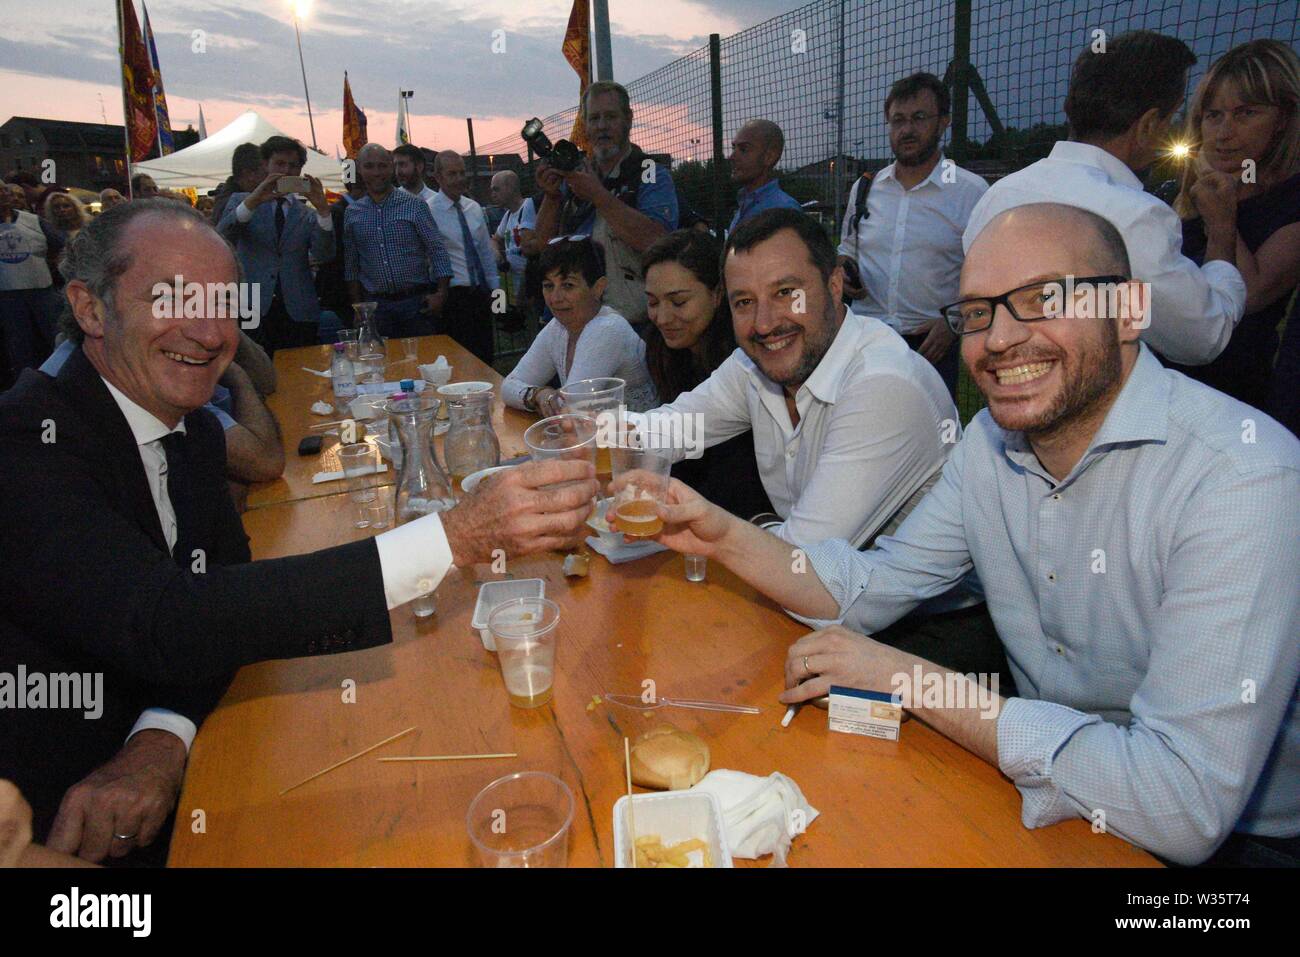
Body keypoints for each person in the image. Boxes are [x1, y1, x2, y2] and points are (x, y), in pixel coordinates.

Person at [644, 202, 1300, 867]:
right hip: (1046, 783)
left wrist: (913, 680)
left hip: (1240, 844)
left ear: (1130, 309)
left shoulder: (1244, 477)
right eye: (979, 312)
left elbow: (1182, 801)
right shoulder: (991, 444)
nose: (1001, 338)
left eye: (1043, 298)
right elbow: (872, 586)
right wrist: (717, 532)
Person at [0, 199, 598, 864]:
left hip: (174, 770)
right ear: (88, 307)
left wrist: (162, 735)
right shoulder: (28, 440)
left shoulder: (189, 425)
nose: (207, 332)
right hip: (52, 822)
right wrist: (453, 537)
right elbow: (167, 616)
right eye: (172, 299)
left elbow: (219, 601)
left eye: (222, 305)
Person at [631, 208, 957, 551]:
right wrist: (584, 435)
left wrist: (734, 526)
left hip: (936, 604)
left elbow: (808, 560)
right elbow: (671, 429)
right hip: (812, 586)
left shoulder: (883, 386)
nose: (764, 323)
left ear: (834, 286)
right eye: (744, 301)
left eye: (786, 292)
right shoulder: (753, 364)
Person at [964, 30, 1247, 367]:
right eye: (1170, 118)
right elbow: (1203, 338)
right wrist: (1221, 229)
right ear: (1147, 126)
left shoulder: (996, 197)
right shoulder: (1136, 216)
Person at [1161, 39, 1300, 419]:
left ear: (1284, 118)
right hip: (1165, 393)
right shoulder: (1182, 196)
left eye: (1245, 113)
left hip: (1239, 405)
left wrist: (1221, 221)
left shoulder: (1291, 202)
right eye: (1213, 114)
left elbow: (1249, 295)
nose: (1224, 132)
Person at [839, 72, 988, 398]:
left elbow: (990, 276)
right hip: (866, 340)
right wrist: (844, 268)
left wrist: (954, 323)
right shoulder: (865, 188)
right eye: (898, 120)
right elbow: (848, 247)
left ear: (944, 122)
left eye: (919, 118)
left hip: (932, 348)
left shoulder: (971, 193)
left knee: (932, 442)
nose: (906, 130)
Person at [40, 328, 285, 491]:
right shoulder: (120, 374)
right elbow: (263, 461)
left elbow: (266, 380)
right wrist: (237, 376)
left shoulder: (123, 347)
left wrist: (225, 330)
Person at [642, 229, 772, 519]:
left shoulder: (745, 363)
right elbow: (673, 434)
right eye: (652, 303)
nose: (662, 318)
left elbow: (735, 482)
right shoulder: (663, 352)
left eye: (678, 302)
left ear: (717, 295)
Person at [534, 81, 679, 328]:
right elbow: (541, 246)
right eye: (594, 118)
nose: (601, 126)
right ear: (585, 125)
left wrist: (599, 196)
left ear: (628, 119)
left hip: (628, 324)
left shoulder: (649, 172)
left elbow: (657, 242)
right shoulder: (576, 173)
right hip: (572, 319)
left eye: (610, 117)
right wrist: (552, 197)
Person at [502, 235, 656, 413]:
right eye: (548, 285)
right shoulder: (557, 328)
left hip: (637, 438)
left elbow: (570, 406)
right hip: (596, 435)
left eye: (568, 285)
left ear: (598, 287)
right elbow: (508, 386)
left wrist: (543, 398)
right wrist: (537, 394)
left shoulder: (608, 329)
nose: (555, 298)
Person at [216, 135, 335, 353]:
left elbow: (324, 254)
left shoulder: (306, 213)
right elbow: (223, 238)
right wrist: (254, 200)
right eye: (280, 164)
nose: (287, 171)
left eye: (294, 165)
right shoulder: (242, 202)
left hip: (298, 309)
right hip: (252, 306)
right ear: (265, 165)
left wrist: (324, 211)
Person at [344, 143, 452, 338]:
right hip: (377, 308)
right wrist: (358, 308)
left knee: (423, 361)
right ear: (359, 169)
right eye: (369, 166)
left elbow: (437, 249)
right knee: (384, 364)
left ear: (391, 167)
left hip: (416, 303)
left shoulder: (414, 205)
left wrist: (441, 294)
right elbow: (352, 264)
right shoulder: (353, 213)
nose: (376, 172)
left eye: (382, 166)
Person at [427, 150, 501, 364]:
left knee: (486, 358)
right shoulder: (429, 211)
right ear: (438, 177)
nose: (459, 179)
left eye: (462, 172)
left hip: (480, 294)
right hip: (453, 297)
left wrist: (498, 300)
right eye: (452, 174)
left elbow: (486, 256)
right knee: (459, 359)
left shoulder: (474, 208)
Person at [0, 180, 62, 387]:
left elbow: (60, 246)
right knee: (19, 346)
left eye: (3, 190)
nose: (4, 195)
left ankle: (63, 380)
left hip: (41, 290)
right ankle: (28, 388)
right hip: (8, 295)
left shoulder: (34, 221)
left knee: (55, 338)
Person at [727, 119, 802, 233]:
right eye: (734, 148)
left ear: (769, 157)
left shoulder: (783, 211)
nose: (732, 157)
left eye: (743, 149)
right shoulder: (747, 204)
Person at [490, 170, 537, 301]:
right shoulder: (509, 214)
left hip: (530, 287)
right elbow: (495, 239)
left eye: (496, 189)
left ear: (510, 187)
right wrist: (498, 255)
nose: (492, 194)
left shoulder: (528, 207)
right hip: (512, 287)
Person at [209, 142, 265, 226]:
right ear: (249, 174)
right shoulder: (231, 203)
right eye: (264, 173)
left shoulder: (224, 198)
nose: (266, 178)